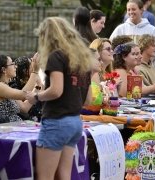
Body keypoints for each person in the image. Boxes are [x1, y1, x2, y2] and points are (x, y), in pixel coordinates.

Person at [26, 17, 92, 180]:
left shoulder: (56, 56)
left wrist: (36, 96)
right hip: (75, 122)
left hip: (57, 121)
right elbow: (88, 99)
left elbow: (56, 90)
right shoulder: (80, 58)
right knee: (64, 175)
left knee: (45, 177)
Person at [110, 0, 155, 70]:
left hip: (145, 69)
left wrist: (148, 56)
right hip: (125, 69)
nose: (131, 12)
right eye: (128, 10)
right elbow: (110, 48)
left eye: (133, 9)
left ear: (141, 10)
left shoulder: (151, 29)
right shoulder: (121, 29)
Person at [0, 54, 39, 123]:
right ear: (4, 69)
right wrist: (35, 72)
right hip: (5, 129)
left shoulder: (4, 85)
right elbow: (23, 94)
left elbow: (24, 103)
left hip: (14, 127)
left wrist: (38, 86)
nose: (16, 66)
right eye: (12, 64)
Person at [9, 55, 44, 121]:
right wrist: (35, 74)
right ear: (25, 71)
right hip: (24, 122)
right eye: (32, 65)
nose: (34, 66)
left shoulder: (35, 80)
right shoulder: (13, 85)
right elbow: (24, 108)